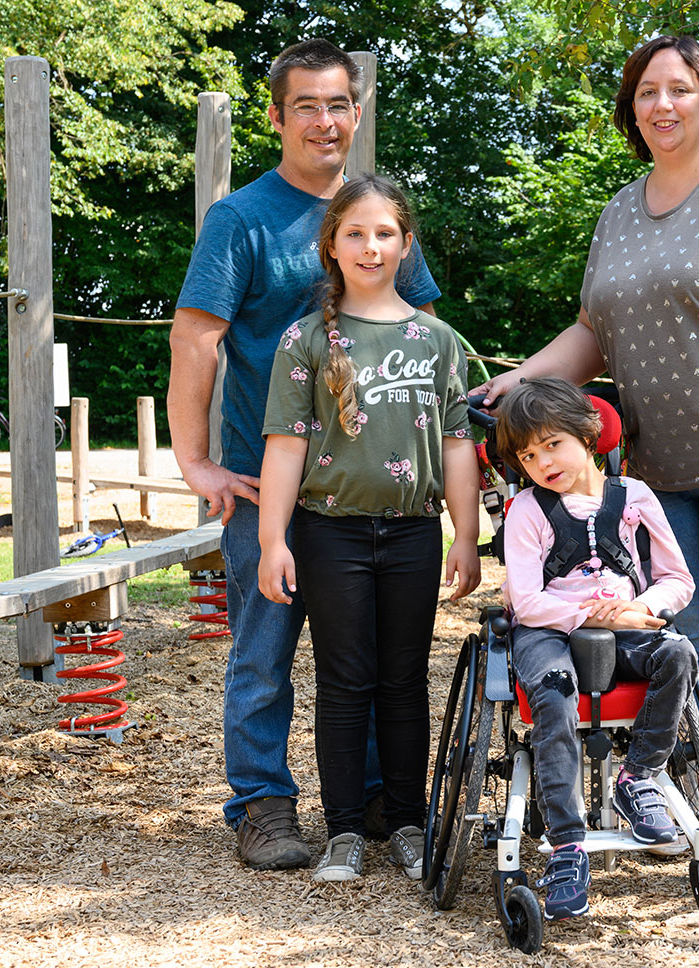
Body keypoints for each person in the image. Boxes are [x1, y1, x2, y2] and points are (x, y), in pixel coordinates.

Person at [476, 35, 699, 866]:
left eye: (680, 89)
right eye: (647, 92)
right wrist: (515, 384)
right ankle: (682, 791)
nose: (663, 105)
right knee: (691, 633)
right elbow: (594, 334)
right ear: (631, 109)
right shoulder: (618, 211)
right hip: (662, 467)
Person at [168, 38, 443, 871]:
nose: (324, 121)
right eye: (306, 106)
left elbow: (423, 335)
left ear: (356, 114)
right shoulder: (242, 219)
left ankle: (364, 809)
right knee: (265, 652)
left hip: (371, 491)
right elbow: (196, 339)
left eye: (337, 105)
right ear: (279, 116)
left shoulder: (375, 214)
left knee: (365, 661)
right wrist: (196, 460)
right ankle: (263, 803)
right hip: (272, 485)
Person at [257, 176, 480, 882]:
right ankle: (346, 832)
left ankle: (409, 823)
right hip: (332, 534)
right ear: (331, 246)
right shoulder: (304, 342)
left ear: (405, 244)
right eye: (355, 232)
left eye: (385, 233)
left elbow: (455, 447)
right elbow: (286, 445)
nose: (371, 245)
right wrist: (271, 540)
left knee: (405, 681)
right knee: (345, 682)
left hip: (414, 533)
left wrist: (467, 536)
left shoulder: (438, 341)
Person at [494, 377, 698, 920]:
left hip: (626, 628)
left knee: (677, 654)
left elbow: (678, 578)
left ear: (588, 435)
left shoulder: (634, 497)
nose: (542, 462)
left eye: (552, 444)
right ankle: (566, 842)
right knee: (555, 696)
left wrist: (644, 608)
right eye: (528, 454)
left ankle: (639, 776)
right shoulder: (526, 510)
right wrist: (586, 611)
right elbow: (527, 600)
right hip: (548, 632)